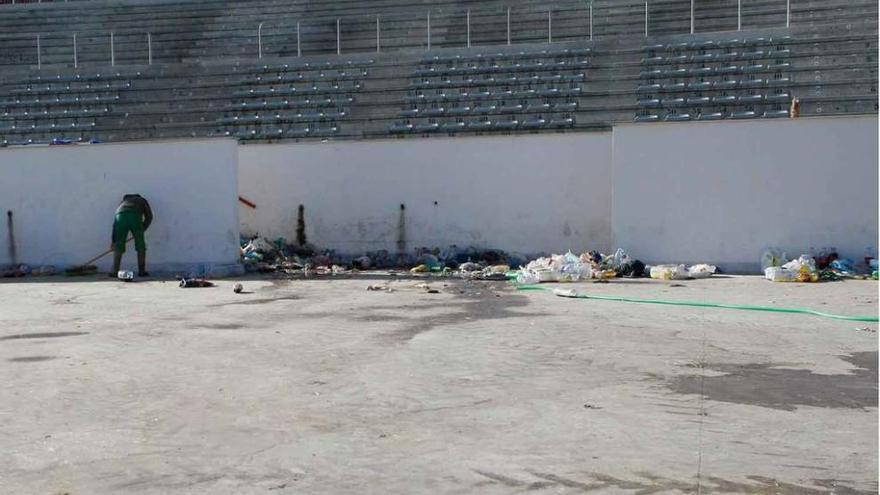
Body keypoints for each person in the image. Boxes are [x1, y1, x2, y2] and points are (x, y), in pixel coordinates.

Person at [111, 194, 153, 277]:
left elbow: (115, 225)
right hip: (135, 217)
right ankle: (142, 271)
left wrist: (113, 241)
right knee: (140, 244)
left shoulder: (122, 203)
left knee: (119, 244)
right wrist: (142, 229)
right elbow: (149, 216)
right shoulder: (142, 200)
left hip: (120, 216)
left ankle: (115, 272)